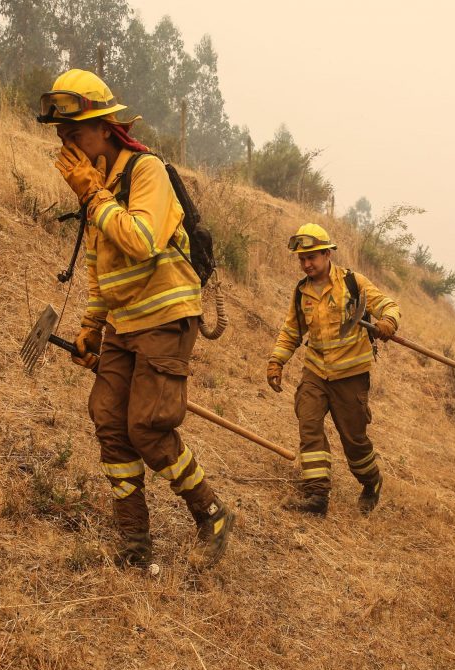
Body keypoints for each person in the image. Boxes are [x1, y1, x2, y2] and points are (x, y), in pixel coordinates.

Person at [38, 68, 233, 569]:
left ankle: (210, 512)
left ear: (105, 127)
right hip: (123, 325)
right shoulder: (98, 185)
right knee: (109, 420)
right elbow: (100, 268)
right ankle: (134, 541)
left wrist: (92, 196)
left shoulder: (146, 171)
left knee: (147, 426)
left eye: (75, 134)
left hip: (166, 316)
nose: (69, 147)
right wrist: (90, 326)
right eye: (62, 137)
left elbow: (142, 242)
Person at [266, 224, 400, 515]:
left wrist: (388, 322)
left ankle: (371, 481)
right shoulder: (301, 291)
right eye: (302, 259)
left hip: (350, 378)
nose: (307, 264)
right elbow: (292, 330)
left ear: (328, 254)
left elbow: (387, 304)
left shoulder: (353, 283)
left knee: (354, 440)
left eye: (312, 257)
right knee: (309, 425)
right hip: (316, 372)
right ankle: (316, 497)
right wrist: (276, 361)